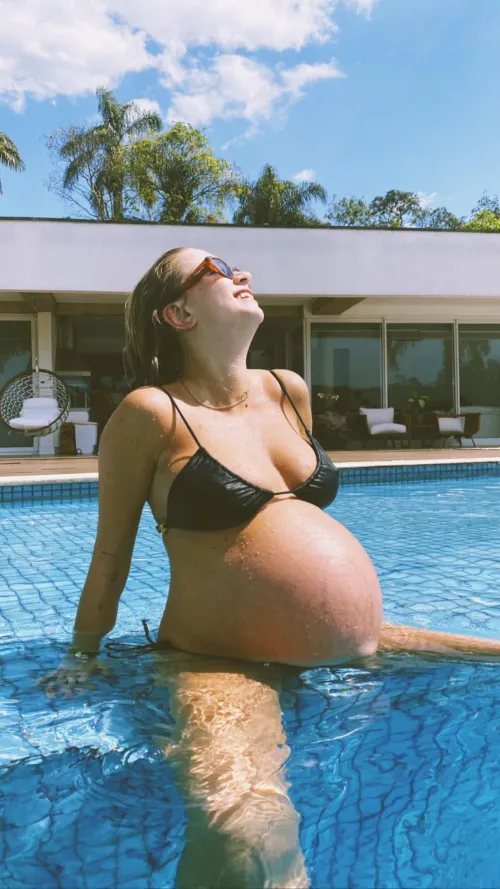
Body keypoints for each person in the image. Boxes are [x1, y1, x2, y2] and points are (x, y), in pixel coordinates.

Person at [41, 248, 500, 888]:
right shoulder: (150, 413)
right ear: (175, 313)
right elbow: (111, 555)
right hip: (217, 659)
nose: (241, 275)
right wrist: (81, 657)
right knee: (246, 832)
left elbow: (294, 512)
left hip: (364, 642)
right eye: (218, 268)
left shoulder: (288, 390)